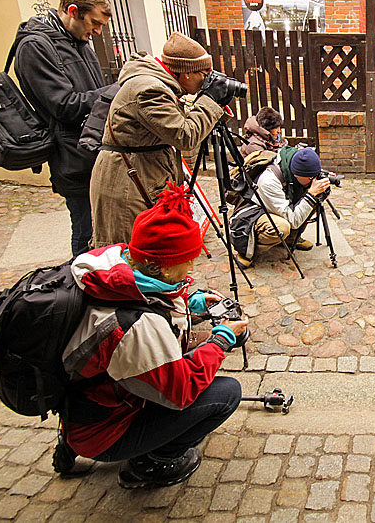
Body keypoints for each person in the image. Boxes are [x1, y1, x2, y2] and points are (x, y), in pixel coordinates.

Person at [60, 182, 248, 489]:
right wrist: (221, 339)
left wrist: (192, 304)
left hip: (88, 407)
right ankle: (150, 464)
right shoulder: (136, 327)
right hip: (103, 431)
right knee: (225, 394)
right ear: (161, 266)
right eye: (186, 261)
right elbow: (180, 392)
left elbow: (151, 299)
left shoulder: (114, 268)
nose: (190, 269)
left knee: (189, 364)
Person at [89, 32, 237, 249]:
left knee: (149, 250)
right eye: (203, 74)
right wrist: (210, 101)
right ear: (186, 73)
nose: (206, 80)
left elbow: (177, 121)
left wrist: (215, 105)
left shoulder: (159, 85)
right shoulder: (149, 89)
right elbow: (184, 135)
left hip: (143, 173)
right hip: (128, 183)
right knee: (131, 253)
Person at [14, 0, 113, 257]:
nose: (97, 32)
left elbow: (92, 96)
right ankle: (81, 290)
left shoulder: (78, 41)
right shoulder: (35, 47)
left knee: (105, 232)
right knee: (86, 231)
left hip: (95, 150)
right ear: (72, 11)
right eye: (94, 23)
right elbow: (64, 105)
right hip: (73, 157)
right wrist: (115, 91)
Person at [230, 147, 331, 267]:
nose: (314, 180)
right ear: (296, 174)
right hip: (252, 213)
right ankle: (247, 251)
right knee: (282, 227)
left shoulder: (293, 163)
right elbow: (293, 220)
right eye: (311, 177)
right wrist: (311, 194)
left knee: (313, 200)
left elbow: (306, 176)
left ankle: (290, 240)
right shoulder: (269, 181)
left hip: (275, 204)